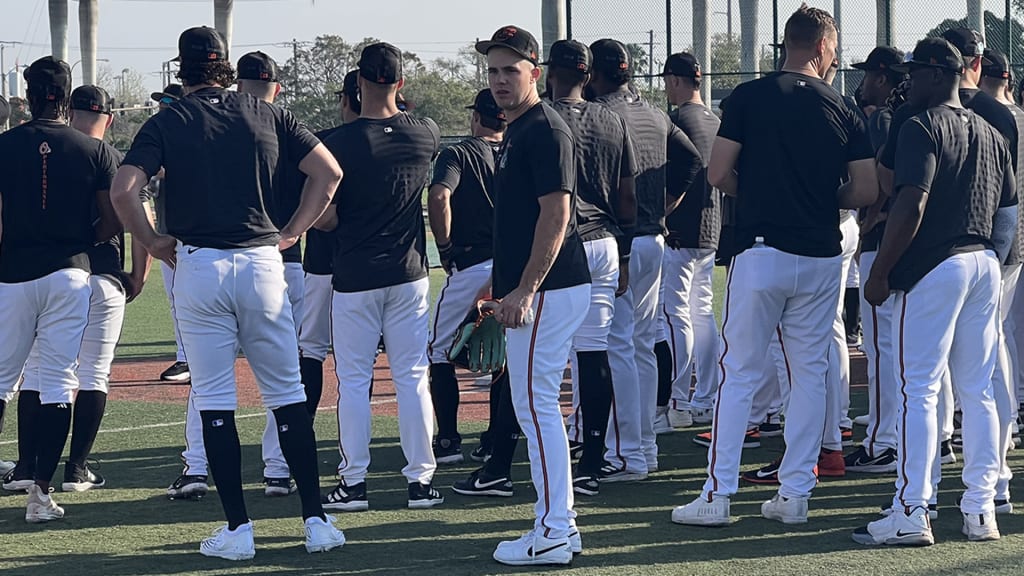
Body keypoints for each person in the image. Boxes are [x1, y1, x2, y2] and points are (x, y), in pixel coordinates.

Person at [109, 26, 345, 559]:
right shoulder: (267, 112)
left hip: (198, 265)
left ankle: (238, 531)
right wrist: (294, 230)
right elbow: (329, 173)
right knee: (287, 395)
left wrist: (149, 239)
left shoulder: (168, 119)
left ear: (181, 70)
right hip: (263, 262)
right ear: (225, 67)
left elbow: (124, 189)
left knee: (215, 398)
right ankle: (316, 520)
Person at [671, 4, 877, 527]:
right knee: (809, 375)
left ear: (788, 44)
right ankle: (795, 494)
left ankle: (718, 496)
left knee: (738, 373)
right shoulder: (843, 106)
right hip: (821, 254)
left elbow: (719, 173)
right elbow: (867, 188)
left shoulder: (749, 96)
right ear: (821, 48)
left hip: (760, 251)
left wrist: (762, 193)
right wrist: (822, 200)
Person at [853, 36, 1015, 546]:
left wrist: (880, 272)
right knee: (978, 391)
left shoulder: (921, 126)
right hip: (984, 262)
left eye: (914, 73)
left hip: (935, 268)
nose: (907, 83)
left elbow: (910, 205)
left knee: (917, 390)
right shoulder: (990, 131)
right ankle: (980, 509)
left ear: (934, 75)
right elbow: (1008, 213)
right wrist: (990, 259)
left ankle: (911, 509)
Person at [169, 51, 309, 499]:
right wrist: (293, 230)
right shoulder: (280, 121)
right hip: (276, 261)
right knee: (287, 385)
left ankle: (197, 469)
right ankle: (281, 474)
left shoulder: (201, 123)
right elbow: (329, 177)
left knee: (209, 384)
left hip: (208, 260)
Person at [475, 25, 591, 566]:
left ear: (534, 72)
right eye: (494, 70)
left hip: (549, 289)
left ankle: (552, 529)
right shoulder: (522, 128)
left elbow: (558, 212)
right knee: (536, 407)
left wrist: (525, 287)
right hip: (541, 288)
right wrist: (503, 284)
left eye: (510, 70)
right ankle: (558, 527)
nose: (500, 80)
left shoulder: (544, 128)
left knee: (536, 408)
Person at [315, 42, 444, 512]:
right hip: (409, 273)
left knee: (353, 382)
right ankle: (421, 482)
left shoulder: (337, 143)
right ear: (400, 83)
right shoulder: (424, 133)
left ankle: (353, 484)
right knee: (413, 377)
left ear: (359, 83)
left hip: (355, 276)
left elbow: (325, 219)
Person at [0, 56, 121, 522]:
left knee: (4, 378)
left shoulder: (5, 146)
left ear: (27, 98)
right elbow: (112, 216)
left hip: (13, 272)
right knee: (58, 381)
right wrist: (85, 239)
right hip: (70, 272)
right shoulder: (92, 149)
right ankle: (41, 497)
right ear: (67, 100)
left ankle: (32, 483)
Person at [12, 85, 150, 495]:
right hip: (102, 273)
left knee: (38, 370)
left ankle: (26, 466)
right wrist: (138, 274)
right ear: (108, 118)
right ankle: (76, 469)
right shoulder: (107, 156)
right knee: (93, 373)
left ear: (70, 112)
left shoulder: (51, 153)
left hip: (49, 273)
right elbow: (134, 217)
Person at [586, 37, 701, 478]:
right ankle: (644, 448)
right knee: (642, 344)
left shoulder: (602, 115)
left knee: (618, 345)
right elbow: (691, 160)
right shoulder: (653, 112)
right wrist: (668, 202)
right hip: (654, 237)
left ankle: (627, 453)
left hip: (624, 242)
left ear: (594, 74)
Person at [545, 39, 637, 496]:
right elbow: (626, 197)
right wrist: (623, 254)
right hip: (604, 241)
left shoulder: (541, 117)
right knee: (593, 349)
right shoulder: (611, 119)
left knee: (536, 354)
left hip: (560, 243)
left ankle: (509, 456)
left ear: (549, 72)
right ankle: (594, 461)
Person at [426, 88, 504, 466]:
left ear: (477, 118)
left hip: (471, 265)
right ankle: (496, 440)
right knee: (505, 357)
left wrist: (444, 246)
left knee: (439, 351)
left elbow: (439, 196)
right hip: (515, 270)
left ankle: (448, 442)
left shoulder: (458, 152)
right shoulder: (519, 150)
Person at [845, 47, 905, 475]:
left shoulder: (884, 118)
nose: (862, 81)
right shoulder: (907, 115)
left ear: (882, 77)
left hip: (882, 243)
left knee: (883, 347)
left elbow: (886, 180)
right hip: (900, 243)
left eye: (867, 74)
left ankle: (883, 441)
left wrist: (872, 216)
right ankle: (905, 434)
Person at [654, 52, 722, 431]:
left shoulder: (678, 119)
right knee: (701, 312)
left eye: (667, 79)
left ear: (677, 80)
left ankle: (678, 401)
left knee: (675, 312)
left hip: (680, 228)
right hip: (710, 226)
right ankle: (705, 399)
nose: (666, 86)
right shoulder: (715, 119)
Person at [297, 69, 361, 418]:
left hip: (323, 260)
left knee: (311, 348)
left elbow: (318, 212)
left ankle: (302, 426)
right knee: (359, 355)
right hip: (370, 263)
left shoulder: (322, 142)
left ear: (346, 98)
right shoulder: (405, 136)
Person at [147, 83, 191, 383]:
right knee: (177, 300)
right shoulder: (158, 141)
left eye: (166, 101)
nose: (160, 105)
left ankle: (189, 359)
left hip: (193, 237)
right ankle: (184, 358)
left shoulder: (189, 141)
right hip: (167, 237)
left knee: (190, 300)